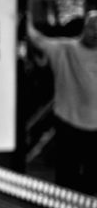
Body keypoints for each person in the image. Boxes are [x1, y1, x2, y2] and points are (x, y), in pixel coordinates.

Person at [27, 10, 97, 195]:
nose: (95, 32)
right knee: (67, 177)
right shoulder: (66, 49)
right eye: (92, 27)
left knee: (91, 180)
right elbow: (38, 40)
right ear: (85, 27)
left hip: (92, 128)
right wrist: (24, 17)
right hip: (68, 123)